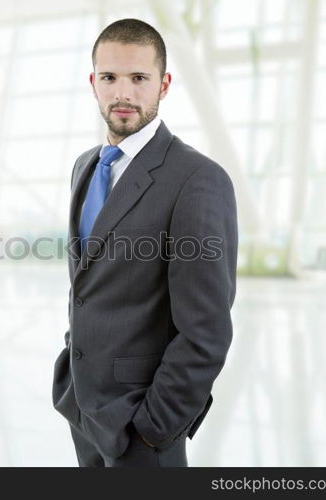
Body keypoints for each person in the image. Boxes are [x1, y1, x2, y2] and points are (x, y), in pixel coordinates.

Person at [51, 18, 238, 467]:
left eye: (139, 78)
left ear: (164, 84)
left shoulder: (197, 180)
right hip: (84, 412)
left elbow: (206, 332)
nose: (123, 93)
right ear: (92, 83)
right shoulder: (86, 167)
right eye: (109, 77)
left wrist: (153, 430)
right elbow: (91, 282)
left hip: (143, 429)